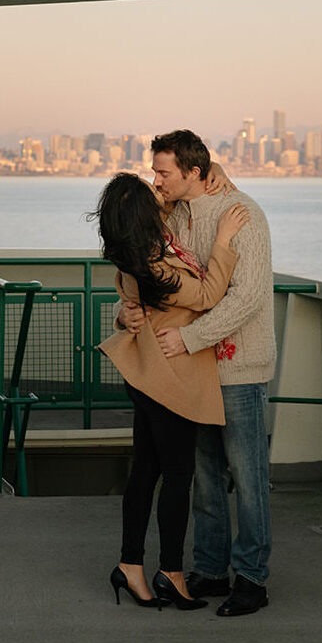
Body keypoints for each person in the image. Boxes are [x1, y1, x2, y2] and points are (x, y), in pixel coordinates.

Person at [121, 129, 275, 618]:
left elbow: (246, 298)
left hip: (238, 368)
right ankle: (211, 568)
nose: (156, 179)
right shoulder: (175, 215)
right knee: (206, 478)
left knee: (248, 480)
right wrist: (125, 312)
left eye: (164, 171)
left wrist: (189, 339)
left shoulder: (243, 214)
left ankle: (252, 579)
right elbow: (152, 276)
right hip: (193, 373)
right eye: (155, 170)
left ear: (193, 171)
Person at [93, 172, 250, 612]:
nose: (159, 190)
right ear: (143, 216)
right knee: (177, 476)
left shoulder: (134, 258)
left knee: (145, 470)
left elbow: (186, 177)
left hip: (146, 375)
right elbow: (207, 295)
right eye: (152, 192)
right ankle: (171, 573)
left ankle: (131, 566)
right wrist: (223, 239)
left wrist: (209, 165)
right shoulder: (155, 266)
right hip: (170, 379)